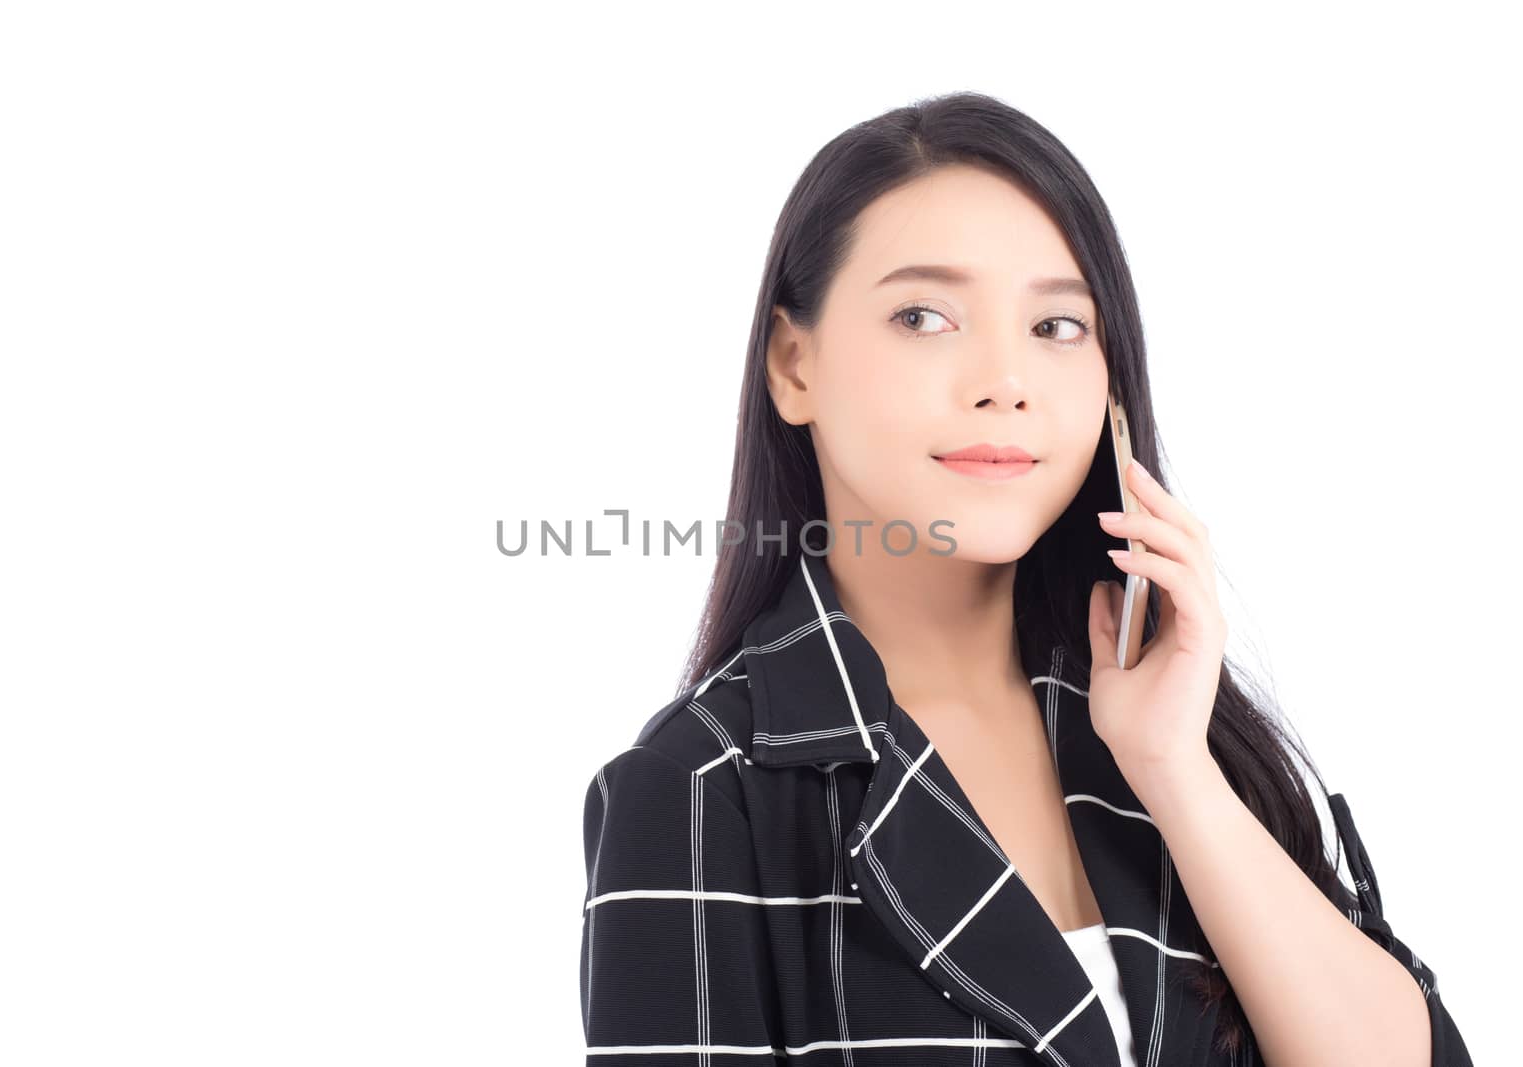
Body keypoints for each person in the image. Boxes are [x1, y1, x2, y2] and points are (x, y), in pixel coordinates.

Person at [577, 91, 1473, 1067]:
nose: (1006, 379)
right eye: (924, 315)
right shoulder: (703, 789)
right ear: (795, 364)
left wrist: (1172, 767)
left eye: (1056, 325)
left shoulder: (1159, 728)